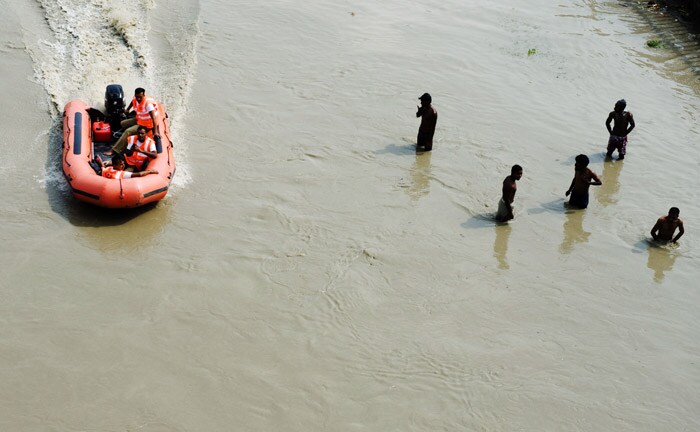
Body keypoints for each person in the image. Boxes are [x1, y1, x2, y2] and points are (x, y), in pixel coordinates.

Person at [111, 87, 161, 154]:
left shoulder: (148, 104)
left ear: (143, 95)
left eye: (140, 97)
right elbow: (133, 102)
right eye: (137, 97)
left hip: (146, 124)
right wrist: (128, 109)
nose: (138, 99)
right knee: (123, 123)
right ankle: (122, 139)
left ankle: (115, 150)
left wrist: (155, 132)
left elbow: (154, 118)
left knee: (128, 131)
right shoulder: (136, 99)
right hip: (140, 119)